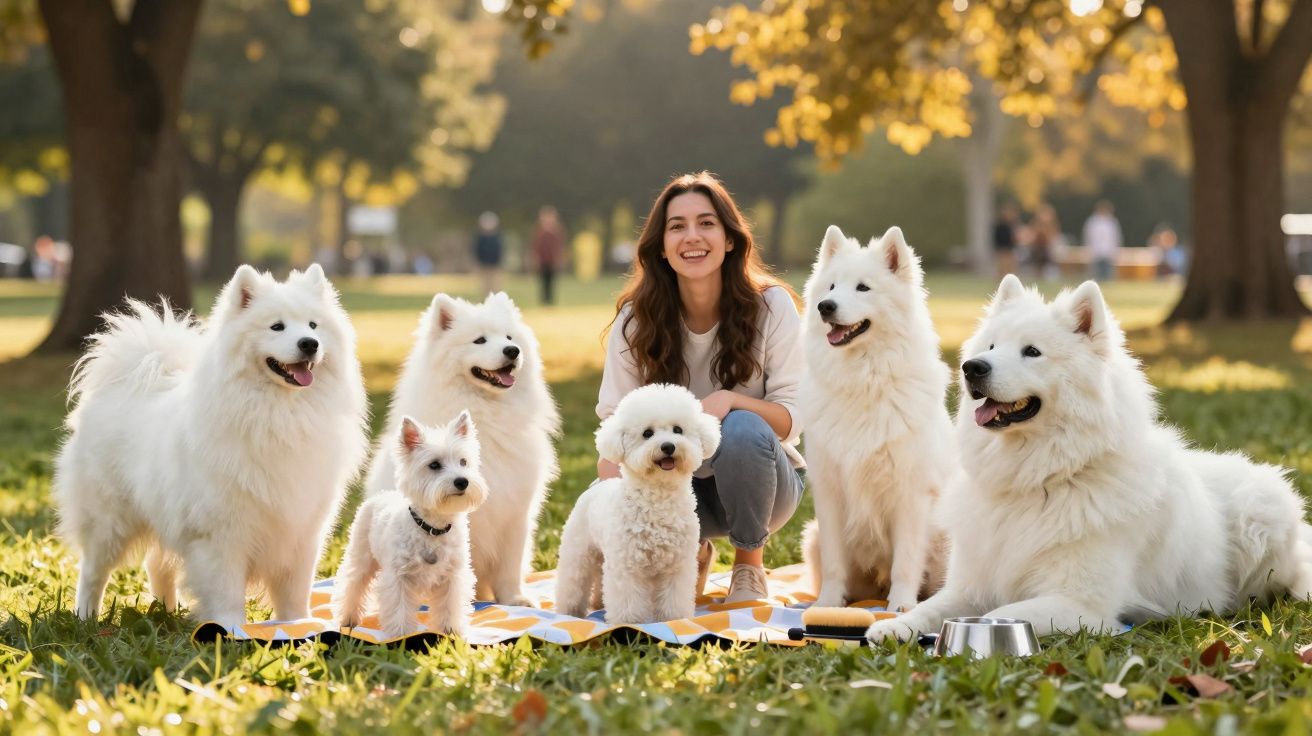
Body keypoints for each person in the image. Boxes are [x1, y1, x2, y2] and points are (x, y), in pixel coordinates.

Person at [595, 171, 806, 604]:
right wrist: (619, 533)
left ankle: (749, 569)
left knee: (743, 426)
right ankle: (685, 552)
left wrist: (729, 401)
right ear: (662, 247)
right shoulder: (636, 321)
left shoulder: (773, 305)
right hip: (673, 491)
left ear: (730, 239)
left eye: (707, 223)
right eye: (677, 226)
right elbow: (613, 431)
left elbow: (793, 419)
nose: (692, 236)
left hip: (764, 482)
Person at [531, 206, 566, 305]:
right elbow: (536, 247)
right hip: (543, 261)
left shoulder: (556, 232)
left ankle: (550, 300)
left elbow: (559, 247)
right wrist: (535, 259)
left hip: (552, 261)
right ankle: (544, 300)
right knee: (543, 281)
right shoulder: (539, 232)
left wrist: (559, 259)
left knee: (552, 282)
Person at [1083, 199, 1123, 282]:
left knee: (1108, 275)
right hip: (1096, 253)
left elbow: (1116, 237)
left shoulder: (1112, 221)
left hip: (1109, 253)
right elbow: (1088, 236)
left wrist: (1115, 251)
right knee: (1095, 276)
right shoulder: (1092, 221)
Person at [472, 211, 505, 294]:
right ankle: (486, 298)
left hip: (495, 264)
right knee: (485, 284)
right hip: (484, 264)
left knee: (495, 284)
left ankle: (495, 297)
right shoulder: (480, 238)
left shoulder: (497, 237)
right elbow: (477, 251)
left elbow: (500, 251)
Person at [1027, 204, 1062, 280]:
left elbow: (1053, 237)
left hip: (1047, 249)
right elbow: (1032, 236)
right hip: (1037, 249)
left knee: (1048, 269)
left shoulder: (1052, 225)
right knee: (1037, 269)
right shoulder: (1036, 224)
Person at [992, 202, 1021, 278]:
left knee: (1011, 269)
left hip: (1010, 250)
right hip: (1002, 249)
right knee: (1002, 269)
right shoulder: (999, 225)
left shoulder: (1012, 225)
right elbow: (997, 238)